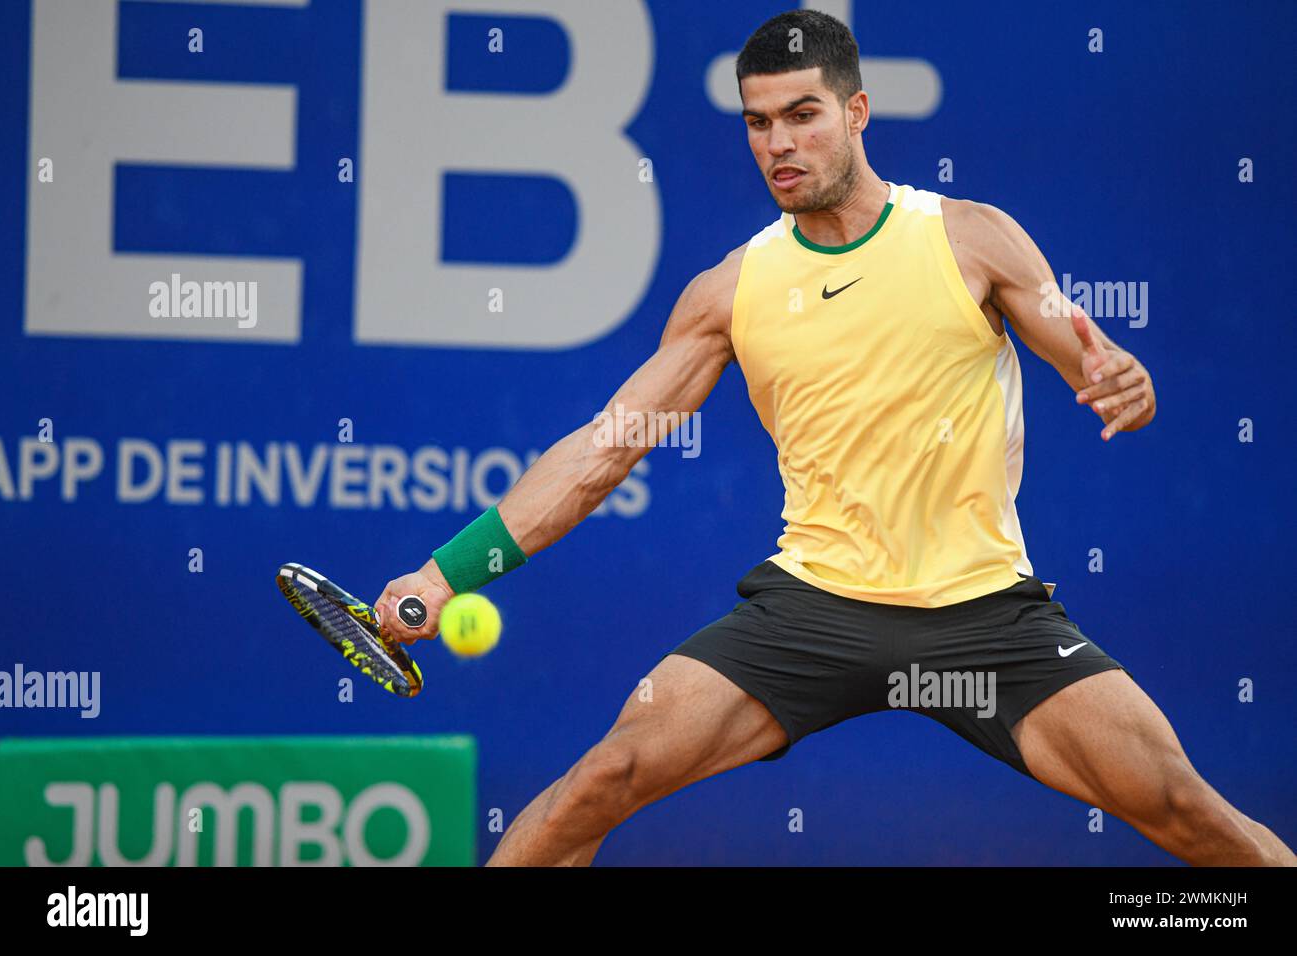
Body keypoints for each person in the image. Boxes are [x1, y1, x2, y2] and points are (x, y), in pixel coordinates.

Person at [373, 9, 1294, 867]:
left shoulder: (973, 240)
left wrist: (1127, 381)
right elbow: (603, 450)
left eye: (803, 114)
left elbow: (1088, 356)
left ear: (857, 111)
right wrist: (444, 573)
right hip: (813, 610)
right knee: (600, 782)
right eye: (758, 122)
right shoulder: (730, 292)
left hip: (981, 610)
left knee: (1184, 809)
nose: (779, 143)